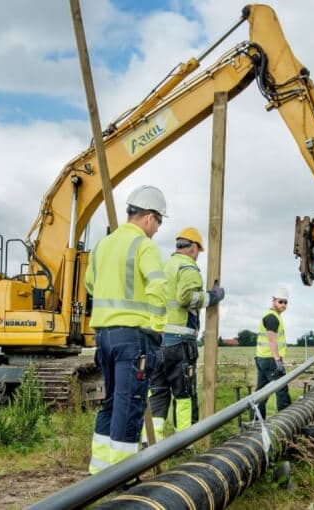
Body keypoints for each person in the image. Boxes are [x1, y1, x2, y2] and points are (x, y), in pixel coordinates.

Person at [85, 185, 168, 475]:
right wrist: (157, 329)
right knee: (130, 404)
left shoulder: (102, 246)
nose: (157, 229)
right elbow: (159, 287)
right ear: (149, 217)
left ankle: (99, 472)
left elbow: (90, 285)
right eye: (158, 222)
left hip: (104, 336)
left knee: (110, 402)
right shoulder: (144, 246)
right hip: (134, 337)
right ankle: (121, 476)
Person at [147, 227, 225, 440]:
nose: (198, 253)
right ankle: (185, 441)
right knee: (184, 394)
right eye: (198, 249)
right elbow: (186, 298)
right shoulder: (187, 267)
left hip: (158, 342)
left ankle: (152, 442)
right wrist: (212, 297)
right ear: (192, 247)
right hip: (179, 344)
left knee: (158, 392)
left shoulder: (166, 266)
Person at [254, 286, 291, 419]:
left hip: (263, 359)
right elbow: (272, 341)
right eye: (280, 302)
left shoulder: (273, 316)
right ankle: (286, 421)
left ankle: (256, 422)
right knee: (281, 390)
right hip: (270, 360)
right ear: (273, 301)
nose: (283, 305)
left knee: (261, 393)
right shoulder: (272, 318)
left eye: (285, 302)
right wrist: (277, 361)